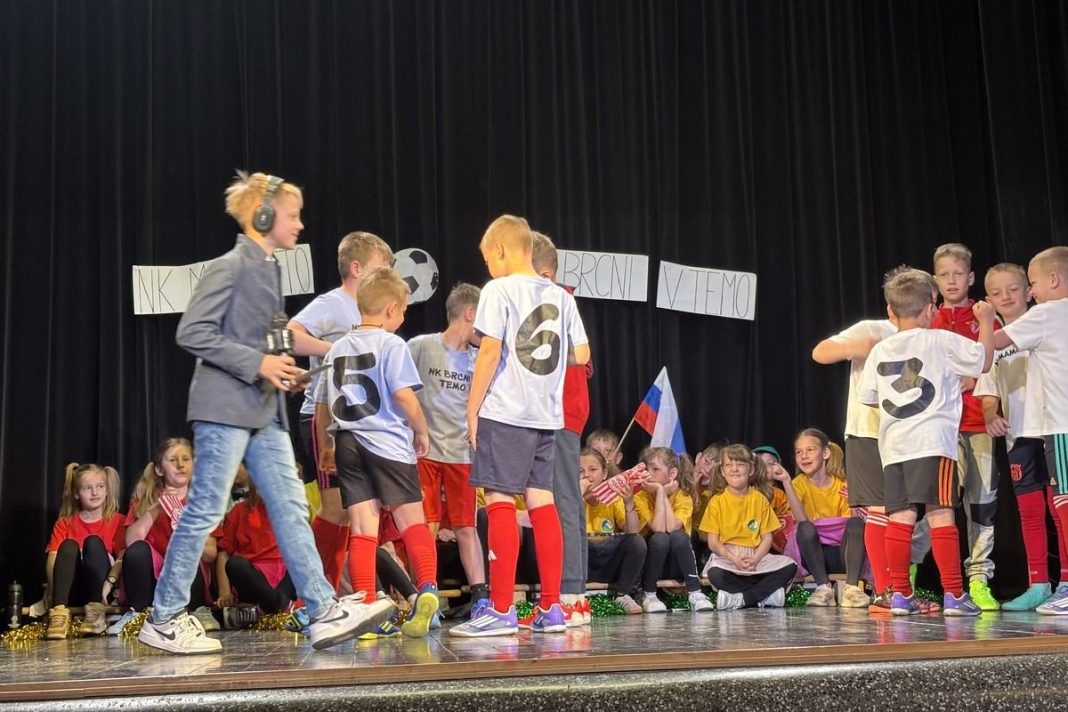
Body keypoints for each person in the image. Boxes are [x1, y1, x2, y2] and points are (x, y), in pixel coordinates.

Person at [138, 172, 394, 655]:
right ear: (262, 216)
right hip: (225, 408)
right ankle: (164, 617)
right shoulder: (231, 266)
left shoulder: (268, 272)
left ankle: (322, 609)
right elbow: (192, 332)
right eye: (292, 216)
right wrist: (258, 363)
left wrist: (288, 372)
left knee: (292, 507)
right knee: (205, 509)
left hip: (264, 411)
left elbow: (274, 339)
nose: (300, 224)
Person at [450, 215, 590, 637]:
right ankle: (552, 608)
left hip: (505, 411)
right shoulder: (562, 297)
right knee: (542, 501)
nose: (488, 268)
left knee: (499, 499)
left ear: (500, 250)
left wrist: (472, 409)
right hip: (546, 416)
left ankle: (501, 609)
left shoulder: (499, 289)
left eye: (487, 260)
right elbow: (582, 354)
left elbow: (489, 351)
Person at [858, 266, 994, 616]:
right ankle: (954, 595)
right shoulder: (940, 340)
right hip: (933, 442)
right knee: (941, 513)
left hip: (895, 448)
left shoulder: (880, 350)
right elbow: (983, 361)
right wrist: (987, 321)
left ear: (891, 311)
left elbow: (870, 398)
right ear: (931, 308)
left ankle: (900, 595)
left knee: (900, 517)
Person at [315, 266, 440, 638]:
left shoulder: (337, 347)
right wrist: (421, 429)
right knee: (411, 521)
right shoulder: (392, 344)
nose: (403, 317)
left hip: (348, 443)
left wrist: (326, 445)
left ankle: (366, 606)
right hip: (387, 442)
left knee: (362, 528)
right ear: (390, 309)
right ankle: (427, 589)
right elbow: (403, 395)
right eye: (403, 310)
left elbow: (322, 405)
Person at [289, 231, 394, 592]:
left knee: (354, 511)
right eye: (381, 267)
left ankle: (331, 594)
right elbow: (290, 335)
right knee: (335, 508)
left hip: (360, 421)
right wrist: (333, 350)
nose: (387, 274)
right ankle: (309, 596)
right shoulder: (333, 304)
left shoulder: (373, 310)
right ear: (356, 268)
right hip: (324, 419)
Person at [975, 262, 1068, 611]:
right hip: (1021, 432)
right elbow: (987, 387)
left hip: (1051, 426)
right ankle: (1039, 583)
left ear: (1030, 291)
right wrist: (990, 414)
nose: (1006, 297)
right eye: (996, 293)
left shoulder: (1045, 318)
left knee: (1060, 506)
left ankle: (1065, 582)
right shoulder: (995, 343)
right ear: (988, 299)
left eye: (1014, 289)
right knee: (1031, 510)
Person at [407, 283, 488, 611]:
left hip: (461, 454)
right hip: (424, 452)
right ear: (470, 313)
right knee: (425, 525)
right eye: (483, 318)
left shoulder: (480, 358)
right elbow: (401, 391)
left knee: (466, 526)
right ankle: (425, 593)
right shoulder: (420, 346)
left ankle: (480, 596)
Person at [930, 243, 1000, 610]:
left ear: (971, 277)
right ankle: (918, 576)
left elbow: (998, 361)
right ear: (935, 280)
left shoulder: (984, 316)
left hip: (977, 423)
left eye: (958, 273)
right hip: (938, 427)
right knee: (937, 501)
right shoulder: (928, 318)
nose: (952, 280)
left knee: (981, 501)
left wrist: (974, 378)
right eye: (944, 274)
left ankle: (978, 578)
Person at [532, 231, 594, 626]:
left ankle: (570, 595)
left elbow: (577, 357)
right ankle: (569, 593)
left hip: (557, 411)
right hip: (549, 410)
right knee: (556, 500)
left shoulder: (555, 300)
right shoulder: (554, 301)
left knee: (563, 500)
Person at [119, 438, 219, 635]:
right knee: (139, 550)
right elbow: (132, 543)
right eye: (173, 460)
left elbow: (211, 555)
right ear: (159, 469)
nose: (180, 465)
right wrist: (157, 507)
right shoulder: (145, 499)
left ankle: (196, 610)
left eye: (186, 459)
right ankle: (138, 613)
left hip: (190, 581)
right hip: (154, 579)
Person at [776, 429, 869, 607]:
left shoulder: (842, 485)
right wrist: (786, 482)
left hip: (844, 556)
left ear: (825, 453)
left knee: (856, 523)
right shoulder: (797, 484)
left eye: (810, 450)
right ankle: (823, 589)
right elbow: (801, 520)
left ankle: (852, 589)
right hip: (813, 556)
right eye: (799, 452)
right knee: (805, 527)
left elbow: (851, 528)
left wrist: (854, 502)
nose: (804, 456)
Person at [699, 444, 797, 609]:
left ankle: (743, 598)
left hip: (756, 555)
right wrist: (734, 559)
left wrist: (755, 559)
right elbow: (713, 543)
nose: (734, 469)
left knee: (790, 566)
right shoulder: (716, 501)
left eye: (740, 464)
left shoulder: (759, 499)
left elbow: (767, 538)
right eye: (729, 465)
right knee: (715, 574)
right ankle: (766, 596)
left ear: (750, 470)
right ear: (722, 471)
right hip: (728, 557)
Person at [44, 462, 125, 639]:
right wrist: (52, 591)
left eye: (100, 487)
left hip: (102, 590)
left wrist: (110, 581)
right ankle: (59, 613)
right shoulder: (64, 523)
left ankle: (95, 612)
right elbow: (52, 560)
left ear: (107, 490)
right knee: (68, 545)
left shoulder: (117, 521)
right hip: (73, 589)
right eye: (88, 488)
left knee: (93, 543)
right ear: (76, 493)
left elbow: (122, 557)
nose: (95, 493)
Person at [634, 447, 714, 613]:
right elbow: (658, 528)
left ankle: (695, 593)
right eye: (646, 469)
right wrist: (661, 492)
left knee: (678, 536)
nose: (648, 474)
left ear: (672, 474)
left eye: (655, 469)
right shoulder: (640, 497)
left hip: (678, 565)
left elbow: (671, 527)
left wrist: (661, 494)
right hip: (651, 565)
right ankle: (649, 594)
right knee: (660, 538)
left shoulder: (683, 497)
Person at [214, 480, 295, 629]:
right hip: (253, 578)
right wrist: (224, 592)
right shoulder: (238, 511)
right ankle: (280, 607)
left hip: (285, 575)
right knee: (235, 564)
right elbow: (223, 553)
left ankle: (261, 612)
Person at [579, 448, 647, 614]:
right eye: (580, 471)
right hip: (582, 561)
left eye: (592, 470)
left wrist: (629, 502)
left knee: (636, 542)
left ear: (604, 474)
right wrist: (579, 494)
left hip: (607, 559)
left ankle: (623, 595)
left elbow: (632, 531)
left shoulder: (612, 497)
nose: (587, 475)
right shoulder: (570, 497)